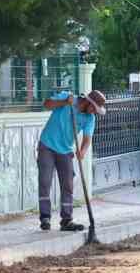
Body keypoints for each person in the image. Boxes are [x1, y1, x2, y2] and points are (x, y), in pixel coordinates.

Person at [36, 88, 107, 231]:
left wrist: (82, 151)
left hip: (65, 150)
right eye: (94, 108)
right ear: (88, 102)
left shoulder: (90, 118)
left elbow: (87, 139)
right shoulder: (68, 98)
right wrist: (63, 102)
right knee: (45, 181)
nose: (94, 112)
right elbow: (46, 104)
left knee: (67, 184)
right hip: (47, 145)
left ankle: (66, 220)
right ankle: (45, 218)